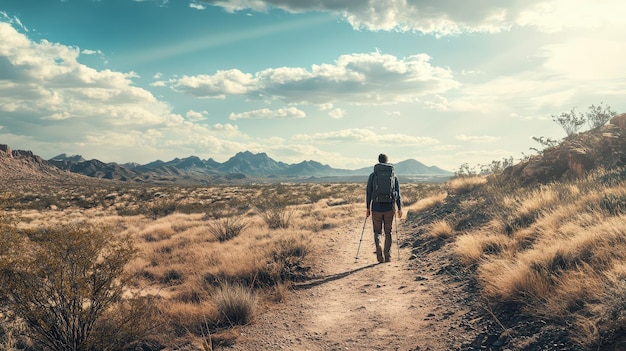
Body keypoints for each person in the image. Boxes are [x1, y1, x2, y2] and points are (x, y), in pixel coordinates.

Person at [366, 153, 402, 263]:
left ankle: (379, 246)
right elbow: (398, 193)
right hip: (389, 207)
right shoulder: (393, 176)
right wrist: (399, 208)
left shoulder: (373, 175)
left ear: (378, 160)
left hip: (376, 207)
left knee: (377, 231)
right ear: (387, 161)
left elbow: (368, 192)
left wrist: (368, 208)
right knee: (388, 232)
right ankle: (387, 255)